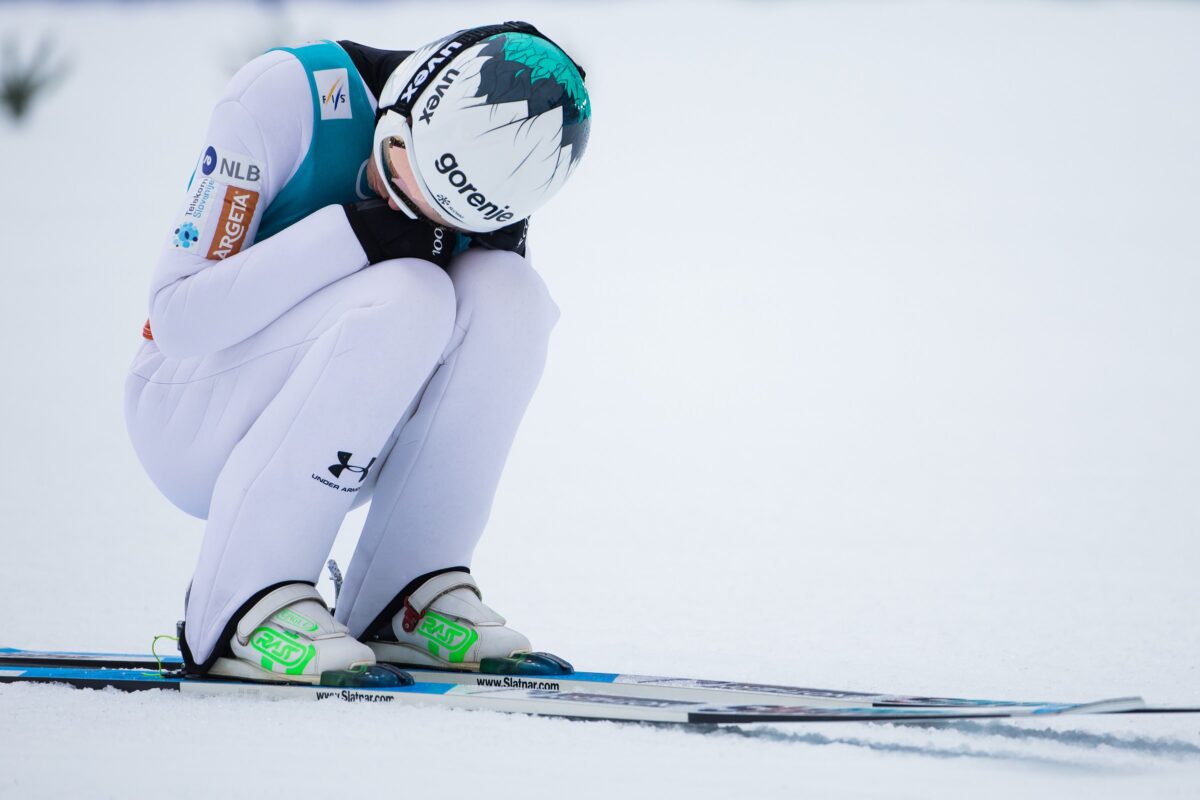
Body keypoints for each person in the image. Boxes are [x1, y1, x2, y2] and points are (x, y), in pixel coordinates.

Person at [124, 22, 591, 683]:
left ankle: (405, 596)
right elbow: (178, 319)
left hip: (347, 432)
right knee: (411, 291)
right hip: (188, 408)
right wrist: (356, 236)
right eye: (403, 162)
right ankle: (240, 602)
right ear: (405, 95)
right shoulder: (290, 94)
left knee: (511, 292)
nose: (405, 198)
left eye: (449, 211)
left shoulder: (496, 176)